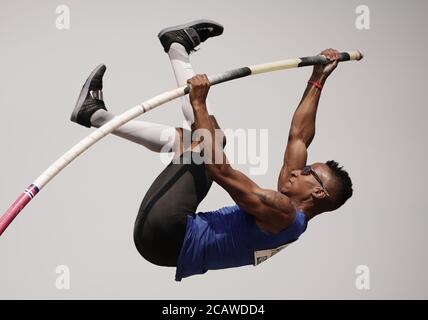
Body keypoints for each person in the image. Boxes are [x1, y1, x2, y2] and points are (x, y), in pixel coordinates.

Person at [71, 20, 353, 281]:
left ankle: (176, 48)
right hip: (161, 242)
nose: (299, 170)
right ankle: (97, 115)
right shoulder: (290, 214)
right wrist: (318, 79)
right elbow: (299, 137)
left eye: (308, 172)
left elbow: (218, 169)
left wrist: (199, 104)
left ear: (318, 192)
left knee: (211, 141)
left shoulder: (282, 212)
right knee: (187, 141)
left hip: (169, 233)